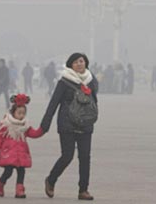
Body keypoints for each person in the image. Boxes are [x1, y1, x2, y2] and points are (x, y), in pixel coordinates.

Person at [41, 53, 98, 201]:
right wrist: (44, 125)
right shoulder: (64, 82)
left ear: (85, 63)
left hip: (85, 124)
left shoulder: (91, 81)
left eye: (81, 61)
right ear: (70, 65)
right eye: (75, 62)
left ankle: (83, 190)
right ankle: (51, 180)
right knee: (67, 155)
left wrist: (92, 117)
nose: (79, 64)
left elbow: (94, 102)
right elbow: (53, 103)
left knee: (85, 157)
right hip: (67, 124)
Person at [0, 94, 44, 198]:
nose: (21, 115)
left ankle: (19, 190)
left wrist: (42, 130)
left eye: (23, 113)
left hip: (21, 154)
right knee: (8, 171)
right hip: (9, 153)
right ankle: (0, 184)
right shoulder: (6, 125)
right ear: (13, 113)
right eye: (19, 113)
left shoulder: (25, 127)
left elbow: (33, 133)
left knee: (21, 172)